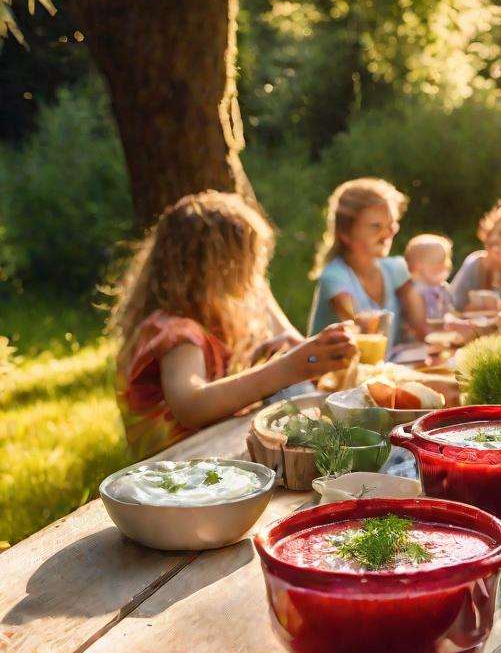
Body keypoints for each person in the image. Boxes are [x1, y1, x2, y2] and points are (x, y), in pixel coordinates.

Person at [111, 191, 357, 459]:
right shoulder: (176, 333)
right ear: (213, 267)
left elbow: (282, 337)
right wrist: (285, 368)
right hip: (178, 467)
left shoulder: (219, 314)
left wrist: (310, 353)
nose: (255, 273)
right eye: (247, 262)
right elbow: (190, 406)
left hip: (216, 452)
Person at [308, 177, 427, 350]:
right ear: (346, 235)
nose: (387, 234)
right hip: (331, 374)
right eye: (375, 226)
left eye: (391, 224)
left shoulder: (396, 269)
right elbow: (357, 327)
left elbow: (421, 329)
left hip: (379, 372)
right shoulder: (334, 276)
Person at [404, 233, 455, 322]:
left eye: (445, 260)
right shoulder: (413, 290)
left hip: (441, 333)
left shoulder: (444, 288)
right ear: (416, 267)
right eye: (435, 262)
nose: (443, 265)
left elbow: (449, 314)